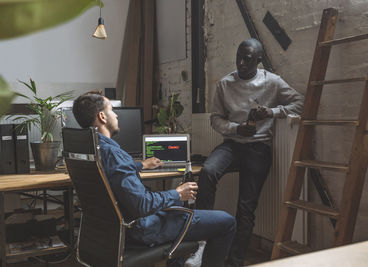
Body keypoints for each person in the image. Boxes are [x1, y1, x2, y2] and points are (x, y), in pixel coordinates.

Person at [72, 92, 236, 267]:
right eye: (112, 110)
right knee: (227, 221)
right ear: (102, 116)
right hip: (142, 228)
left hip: (110, 231)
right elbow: (142, 205)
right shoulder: (114, 154)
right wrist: (177, 193)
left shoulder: (91, 149)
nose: (116, 114)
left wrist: (139, 165)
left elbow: (112, 172)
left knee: (179, 207)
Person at [195, 38, 304, 267]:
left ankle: (234, 262)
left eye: (248, 58)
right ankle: (200, 241)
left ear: (259, 60)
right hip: (232, 144)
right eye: (239, 57)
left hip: (259, 147)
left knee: (246, 208)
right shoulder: (225, 84)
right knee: (207, 171)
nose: (242, 62)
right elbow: (215, 118)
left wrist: (272, 112)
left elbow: (299, 103)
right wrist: (237, 128)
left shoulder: (272, 82)